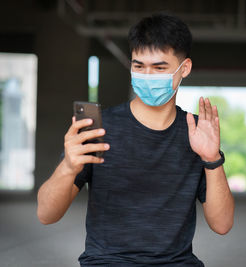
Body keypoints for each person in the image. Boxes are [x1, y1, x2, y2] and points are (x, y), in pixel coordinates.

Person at [36, 13, 235, 266]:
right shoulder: (98, 129)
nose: (148, 76)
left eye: (160, 67)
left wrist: (211, 159)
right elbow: (45, 215)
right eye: (139, 66)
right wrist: (67, 168)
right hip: (107, 262)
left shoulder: (196, 132)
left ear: (184, 68)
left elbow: (222, 225)